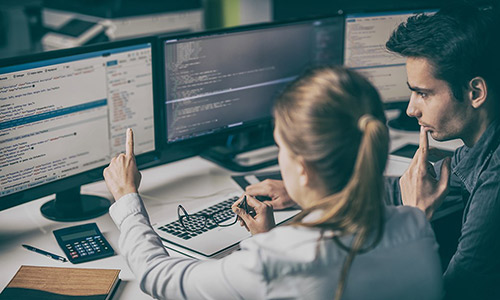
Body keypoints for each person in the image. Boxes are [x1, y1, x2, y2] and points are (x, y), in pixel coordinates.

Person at [103, 66, 443, 300]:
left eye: (281, 147)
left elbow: (158, 278)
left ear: (304, 169)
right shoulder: (415, 223)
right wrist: (268, 240)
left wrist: (126, 196)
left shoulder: (277, 259)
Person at [249, 3, 500, 299]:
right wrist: (310, 189)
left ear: (475, 93)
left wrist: (414, 217)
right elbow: (402, 188)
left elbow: (451, 293)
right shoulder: (479, 148)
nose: (411, 109)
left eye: (423, 93)